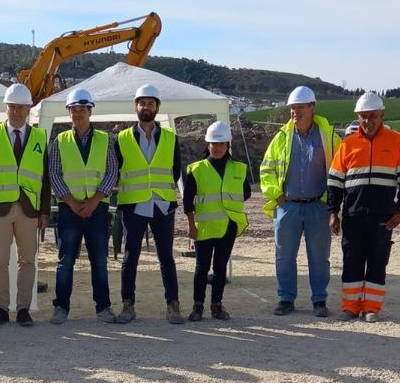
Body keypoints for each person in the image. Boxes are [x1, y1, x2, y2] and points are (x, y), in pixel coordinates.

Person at [327, 92, 400, 322]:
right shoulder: (347, 145)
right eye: (363, 116)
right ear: (358, 117)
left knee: (377, 261)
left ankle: (371, 308)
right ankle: (350, 307)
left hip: (383, 216)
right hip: (353, 215)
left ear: (381, 114)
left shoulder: (397, 141)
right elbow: (335, 182)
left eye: (372, 115)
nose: (368, 120)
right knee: (351, 261)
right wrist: (332, 212)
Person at [259, 86, 343, 318]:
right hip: (289, 207)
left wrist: (332, 204)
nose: (295, 112)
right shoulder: (281, 138)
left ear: (312, 107)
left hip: (319, 206)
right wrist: (276, 195)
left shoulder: (329, 137)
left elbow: (339, 171)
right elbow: (266, 169)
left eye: (299, 107)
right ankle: (286, 299)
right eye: (292, 108)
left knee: (319, 258)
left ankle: (319, 300)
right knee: (284, 256)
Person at [0, 83, 50, 328]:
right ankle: (2, 308)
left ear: (29, 109)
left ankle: (24, 308)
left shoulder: (39, 137)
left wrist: (45, 211)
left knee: (28, 261)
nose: (17, 112)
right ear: (6, 108)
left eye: (21, 107)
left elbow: (45, 178)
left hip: (29, 210)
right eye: (12, 107)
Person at [114, 84, 185, 324]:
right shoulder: (122, 139)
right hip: (134, 206)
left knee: (166, 258)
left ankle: (173, 305)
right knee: (130, 258)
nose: (146, 107)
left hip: (161, 205)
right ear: (136, 107)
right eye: (142, 103)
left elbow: (175, 170)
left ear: (157, 108)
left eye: (151, 103)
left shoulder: (170, 138)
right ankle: (127, 305)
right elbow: (117, 170)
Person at [47, 88, 118, 324]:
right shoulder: (59, 141)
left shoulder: (106, 140)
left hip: (96, 209)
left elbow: (111, 172)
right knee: (65, 260)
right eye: (73, 109)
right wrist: (72, 202)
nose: (77, 113)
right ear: (69, 113)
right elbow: (54, 174)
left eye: (82, 109)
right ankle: (61, 307)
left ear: (90, 111)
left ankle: (103, 307)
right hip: (70, 209)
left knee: (99, 260)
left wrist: (95, 200)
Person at [183, 121, 250, 321]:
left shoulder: (239, 169)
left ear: (228, 145)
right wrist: (191, 225)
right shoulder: (196, 169)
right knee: (201, 268)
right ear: (207, 145)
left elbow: (245, 193)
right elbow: (187, 201)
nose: (218, 147)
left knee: (220, 267)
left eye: (221, 143)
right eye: (214, 143)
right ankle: (198, 306)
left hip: (228, 226)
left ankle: (217, 305)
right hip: (203, 227)